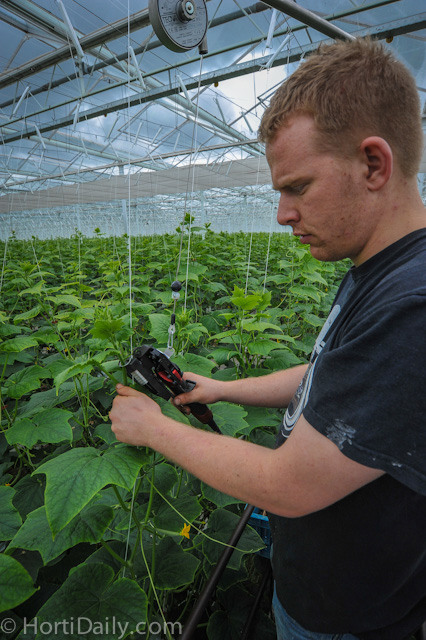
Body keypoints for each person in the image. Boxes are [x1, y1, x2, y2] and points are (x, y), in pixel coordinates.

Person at [110, 37, 426, 640]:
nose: (282, 213)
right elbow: (333, 374)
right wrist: (223, 388)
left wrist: (154, 429)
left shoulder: (414, 302)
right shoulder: (380, 270)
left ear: (374, 165)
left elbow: (291, 485)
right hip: (321, 586)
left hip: (346, 621)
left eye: (297, 187)